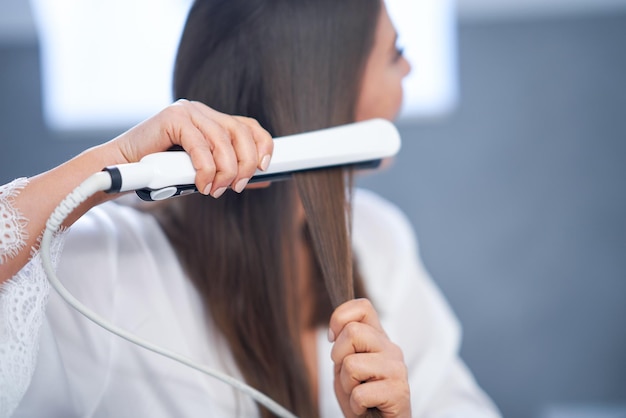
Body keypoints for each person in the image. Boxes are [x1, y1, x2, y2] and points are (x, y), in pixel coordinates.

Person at [0, 0, 501, 416]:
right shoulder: (110, 264)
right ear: (326, 90)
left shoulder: (377, 237)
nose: (409, 69)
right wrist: (114, 161)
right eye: (396, 54)